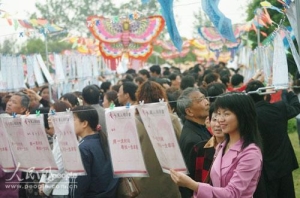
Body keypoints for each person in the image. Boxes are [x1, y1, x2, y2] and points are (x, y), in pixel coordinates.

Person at [170, 92, 263, 198]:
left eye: (226, 114)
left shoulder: (250, 153)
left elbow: (232, 193)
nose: (220, 120)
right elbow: (213, 185)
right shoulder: (222, 145)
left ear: (242, 116)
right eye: (218, 114)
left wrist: (192, 185)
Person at [246, 80, 300, 198]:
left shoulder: (247, 116)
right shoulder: (279, 108)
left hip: (261, 167)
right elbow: (296, 107)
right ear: (265, 94)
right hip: (283, 163)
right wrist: (290, 91)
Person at [134, 80, 182, 198]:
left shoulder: (132, 122)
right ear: (161, 97)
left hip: (141, 183)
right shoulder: (172, 119)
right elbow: (181, 146)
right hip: (169, 180)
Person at [69, 106, 119, 198]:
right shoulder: (105, 141)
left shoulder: (83, 148)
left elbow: (79, 185)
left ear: (84, 123)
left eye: (73, 119)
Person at [176, 87, 211, 197]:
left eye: (205, 98)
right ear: (189, 111)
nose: (206, 102)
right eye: (200, 100)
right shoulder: (193, 140)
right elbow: (189, 178)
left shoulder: (199, 128)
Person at [39, 101, 72, 197]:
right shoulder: (57, 136)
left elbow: (60, 167)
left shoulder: (66, 137)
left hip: (61, 188)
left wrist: (46, 188)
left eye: (53, 114)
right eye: (49, 114)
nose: (49, 117)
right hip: (55, 187)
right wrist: (43, 181)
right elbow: (51, 162)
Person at [0, 92, 30, 198]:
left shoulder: (23, 127)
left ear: (22, 109)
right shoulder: (4, 122)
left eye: (14, 102)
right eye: (9, 100)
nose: (9, 103)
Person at [192, 104, 225, 183]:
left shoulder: (238, 149)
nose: (217, 125)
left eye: (222, 120)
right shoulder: (199, 148)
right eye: (214, 120)